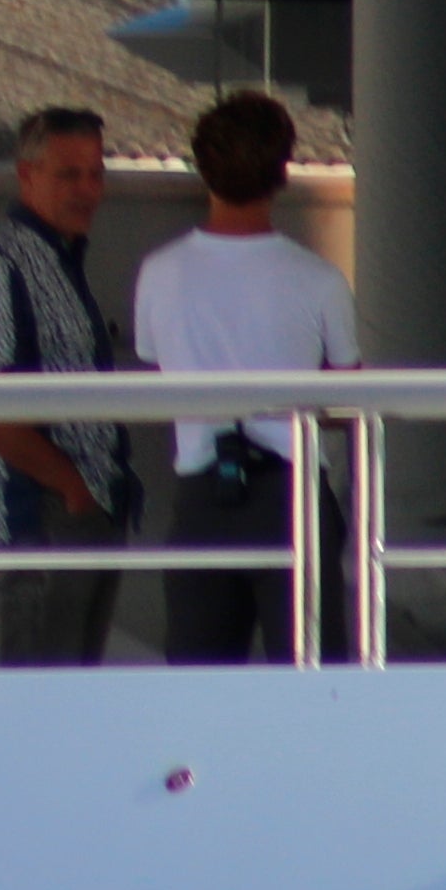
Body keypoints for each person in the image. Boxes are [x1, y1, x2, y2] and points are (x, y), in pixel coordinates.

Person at [126, 90, 360, 663]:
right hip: (293, 495)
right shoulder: (319, 279)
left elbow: (154, 362)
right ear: (282, 173)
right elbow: (350, 396)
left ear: (202, 168)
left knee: (200, 687)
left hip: (202, 495)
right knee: (312, 683)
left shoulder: (159, 274)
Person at [0, 103, 130, 667]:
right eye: (69, 174)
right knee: (39, 706)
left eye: (96, 173)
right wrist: (71, 487)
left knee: (73, 702)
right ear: (26, 174)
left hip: (85, 510)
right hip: (45, 516)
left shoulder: (60, 259)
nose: (88, 189)